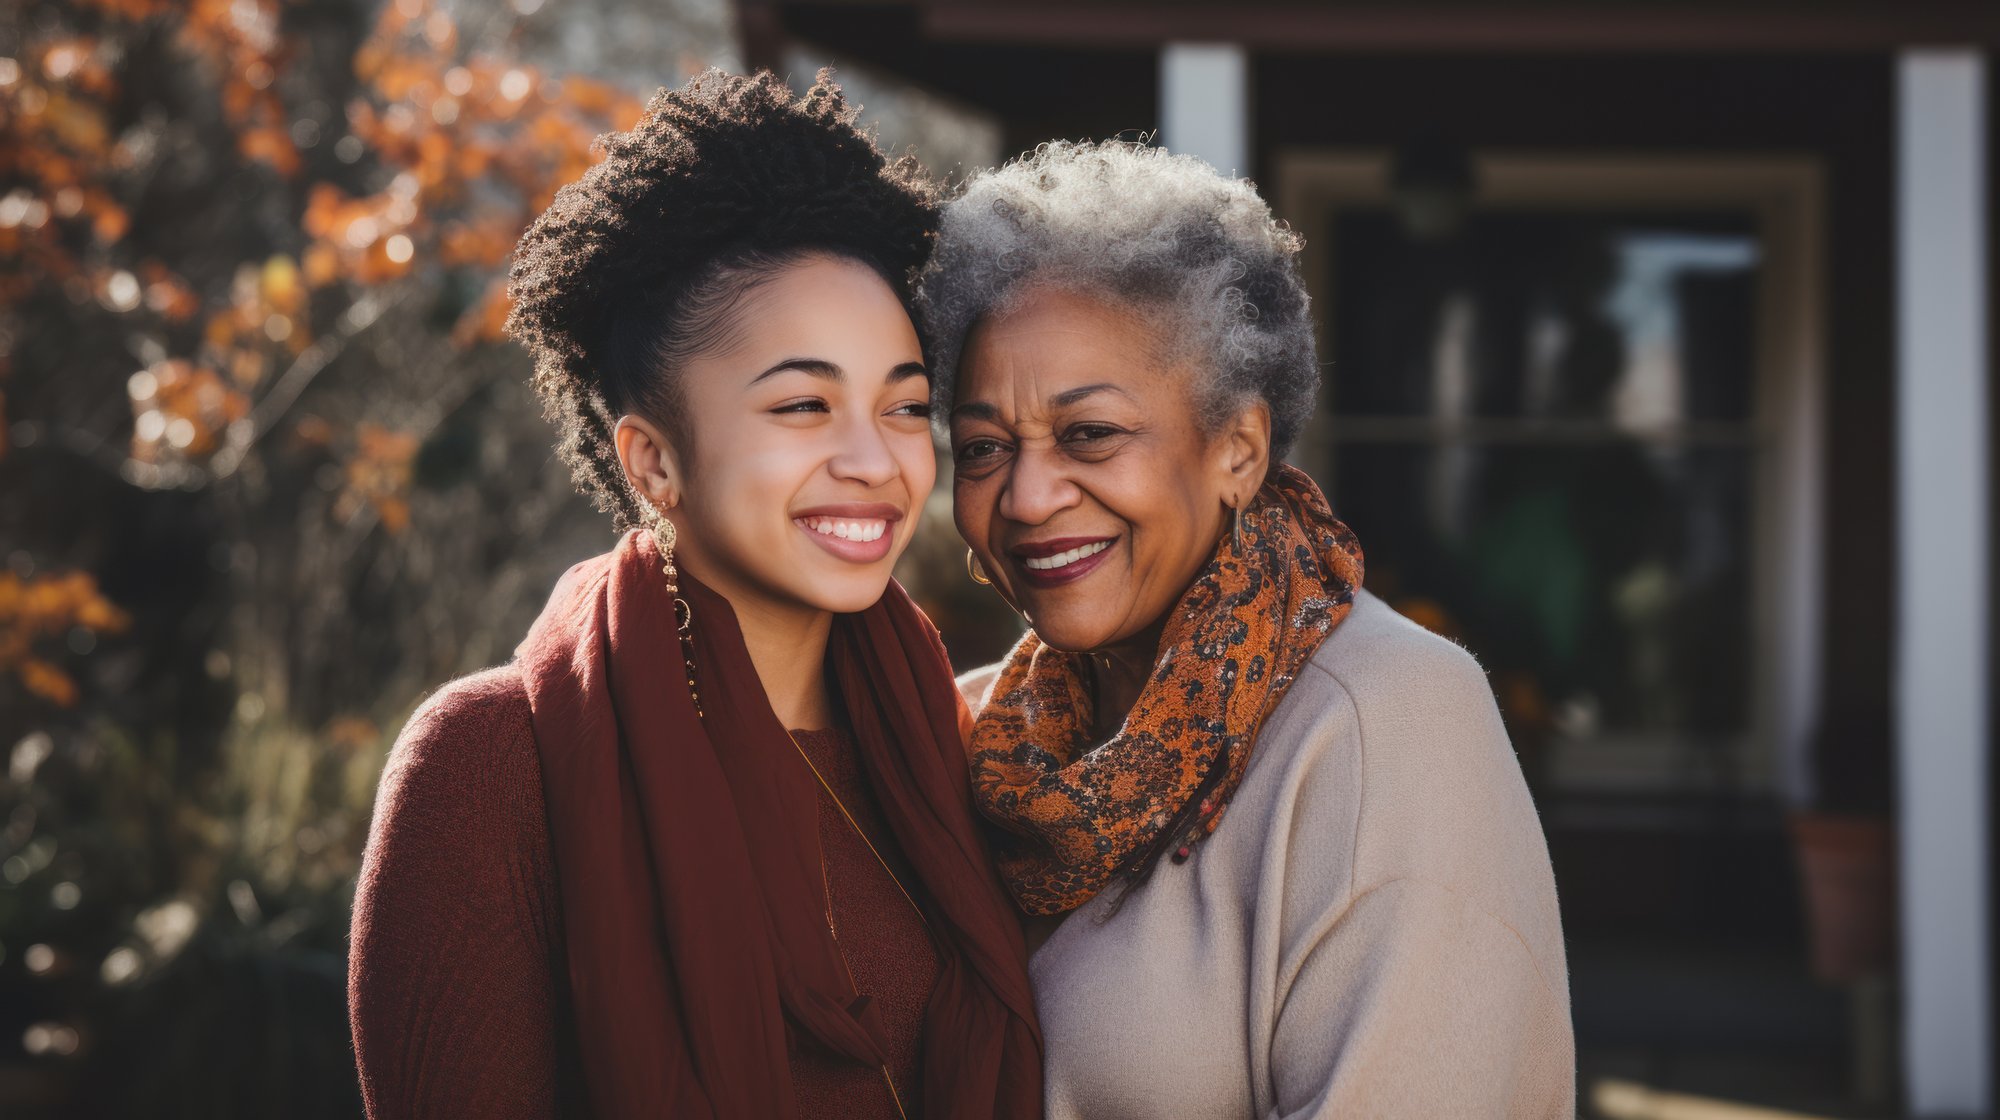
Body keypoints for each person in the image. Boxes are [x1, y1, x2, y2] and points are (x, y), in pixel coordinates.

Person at [347, 71, 1042, 1120]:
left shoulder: (949, 745)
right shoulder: (491, 766)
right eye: (803, 405)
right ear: (654, 461)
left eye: (904, 408)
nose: (876, 461)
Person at [920, 140, 1574, 1118]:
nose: (1026, 495)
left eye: (1089, 434)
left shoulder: (1382, 721)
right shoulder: (970, 734)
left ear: (1237, 450)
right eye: (983, 448)